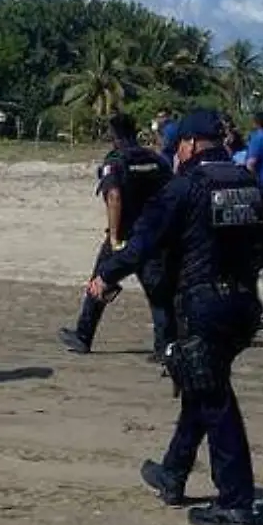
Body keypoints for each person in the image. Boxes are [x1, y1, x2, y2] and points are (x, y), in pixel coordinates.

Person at [89, 108, 263, 525]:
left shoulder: (185, 188)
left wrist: (105, 275)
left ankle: (237, 501)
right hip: (245, 307)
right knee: (202, 385)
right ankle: (173, 471)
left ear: (187, 145)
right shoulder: (252, 184)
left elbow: (143, 243)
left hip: (205, 307)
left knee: (215, 398)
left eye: (177, 145)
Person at [59, 112, 174, 359]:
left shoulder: (116, 160)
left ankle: (83, 335)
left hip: (125, 234)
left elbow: (114, 197)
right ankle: (164, 347)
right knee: (158, 294)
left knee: (99, 280)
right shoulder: (155, 159)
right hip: (153, 236)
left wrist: (113, 236)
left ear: (113, 136)